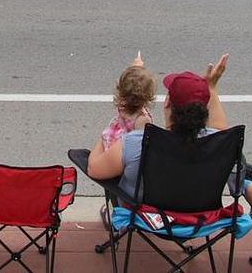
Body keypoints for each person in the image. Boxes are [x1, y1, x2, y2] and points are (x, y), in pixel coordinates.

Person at [87, 55, 230, 200]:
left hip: (147, 213)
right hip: (200, 212)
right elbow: (221, 130)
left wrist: (108, 132)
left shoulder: (137, 143)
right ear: (204, 111)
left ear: (167, 103)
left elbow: (94, 169)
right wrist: (211, 88)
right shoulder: (217, 144)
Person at [95, 53, 154, 153]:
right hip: (123, 152)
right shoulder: (142, 119)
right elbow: (141, 145)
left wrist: (135, 69)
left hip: (111, 141)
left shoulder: (123, 103)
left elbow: (130, 84)